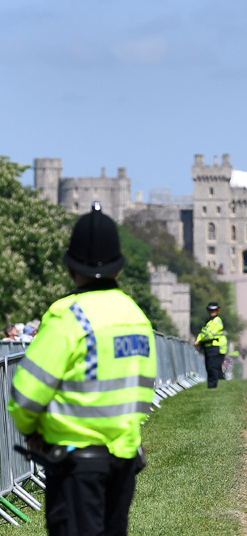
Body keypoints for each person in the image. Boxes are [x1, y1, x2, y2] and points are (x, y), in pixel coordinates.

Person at [7, 201, 156, 536]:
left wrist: (32, 433)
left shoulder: (67, 315)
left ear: (70, 267)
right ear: (118, 268)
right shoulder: (136, 317)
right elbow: (143, 389)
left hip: (76, 465)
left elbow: (25, 396)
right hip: (125, 458)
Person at [195, 302, 228, 388]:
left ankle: (213, 385)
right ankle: (212, 385)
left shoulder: (216, 321)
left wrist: (199, 340)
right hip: (208, 346)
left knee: (212, 367)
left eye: (214, 310)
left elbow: (208, 334)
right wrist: (198, 339)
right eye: (210, 310)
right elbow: (203, 332)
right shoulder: (209, 321)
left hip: (213, 346)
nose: (212, 312)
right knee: (209, 366)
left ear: (217, 311)